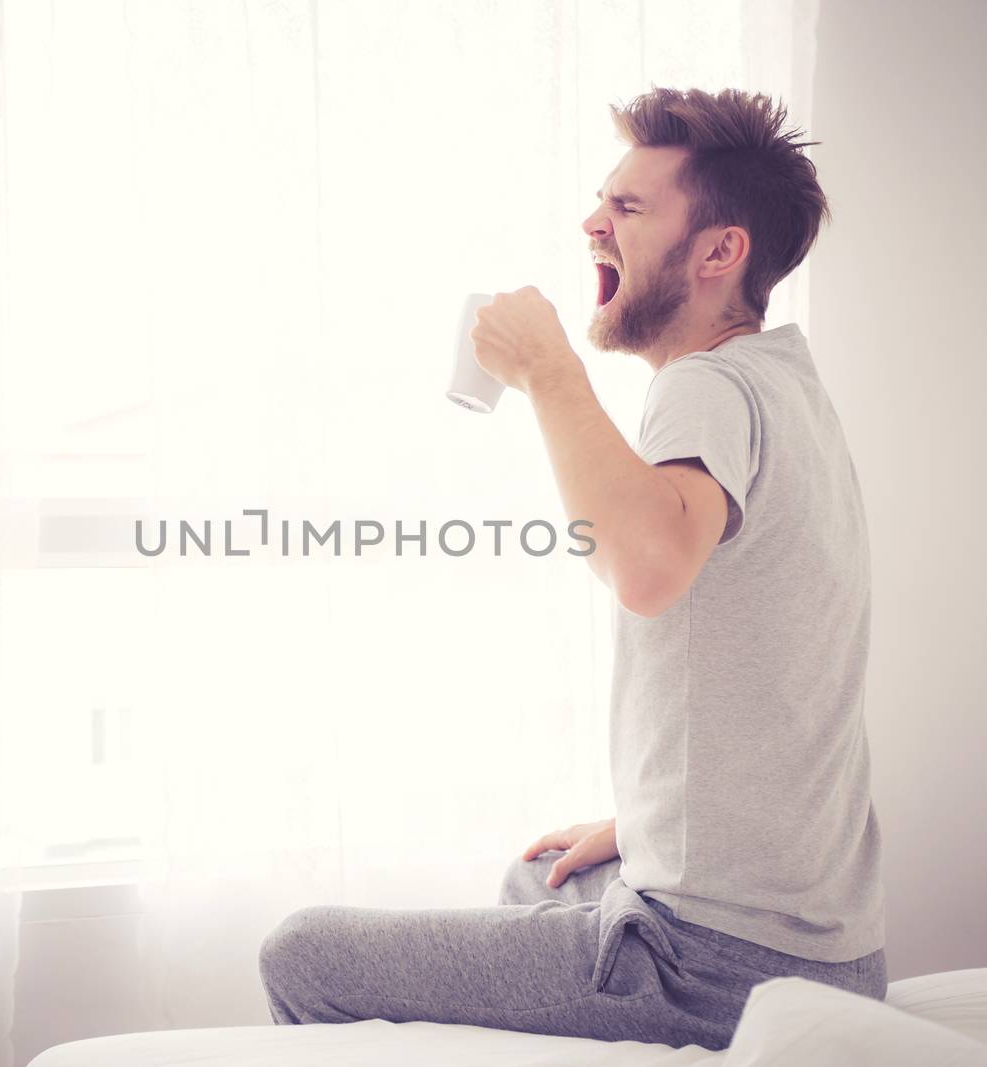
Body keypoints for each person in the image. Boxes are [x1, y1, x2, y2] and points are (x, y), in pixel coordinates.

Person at [257, 85, 887, 1051]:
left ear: (721, 252)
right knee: (540, 876)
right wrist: (650, 825)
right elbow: (770, 659)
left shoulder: (705, 386)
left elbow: (646, 567)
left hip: (716, 965)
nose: (592, 222)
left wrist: (552, 372)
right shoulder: (783, 382)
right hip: (828, 949)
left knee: (302, 954)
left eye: (628, 208)